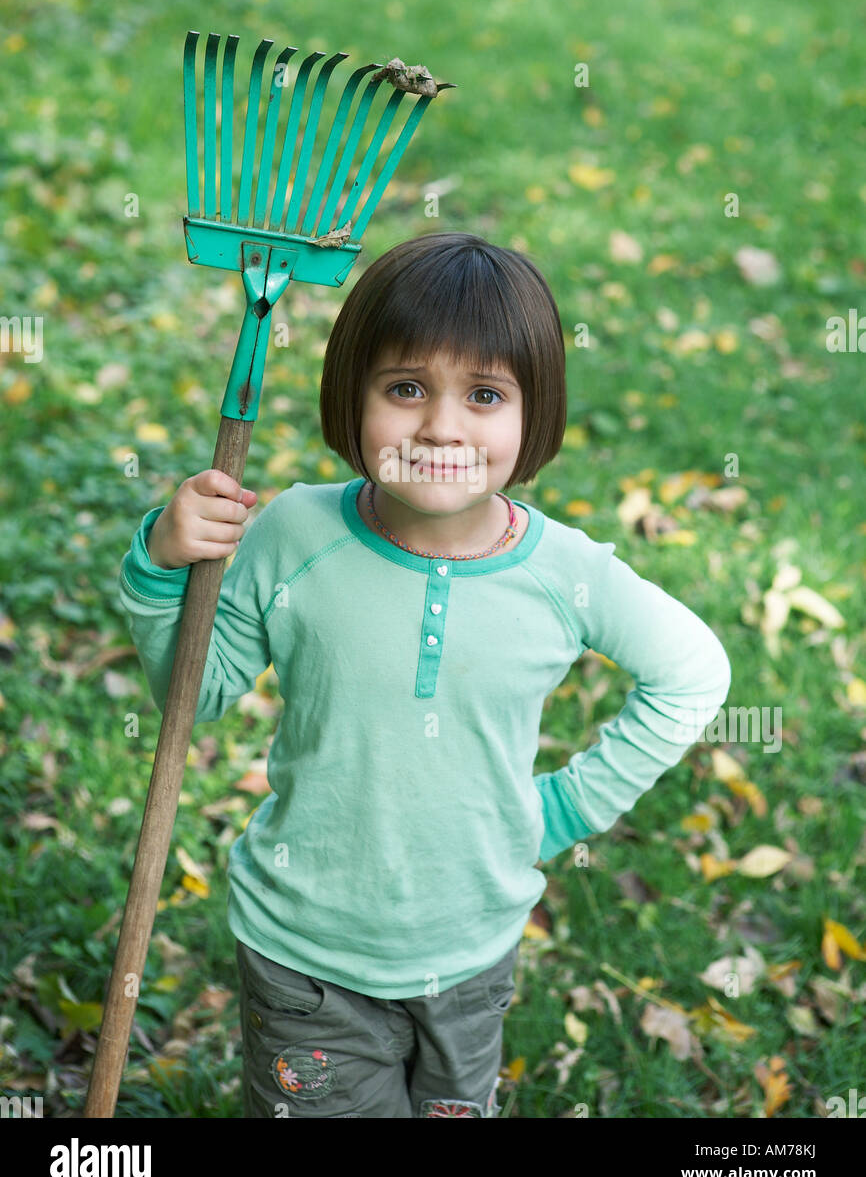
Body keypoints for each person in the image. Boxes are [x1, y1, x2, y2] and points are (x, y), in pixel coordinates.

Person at [118, 231, 732, 1118]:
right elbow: (198, 694)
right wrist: (159, 569)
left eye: (485, 395)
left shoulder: (564, 573)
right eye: (405, 389)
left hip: (472, 957)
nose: (442, 426)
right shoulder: (294, 535)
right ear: (350, 397)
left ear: (536, 415)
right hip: (307, 959)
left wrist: (563, 810)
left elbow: (691, 673)